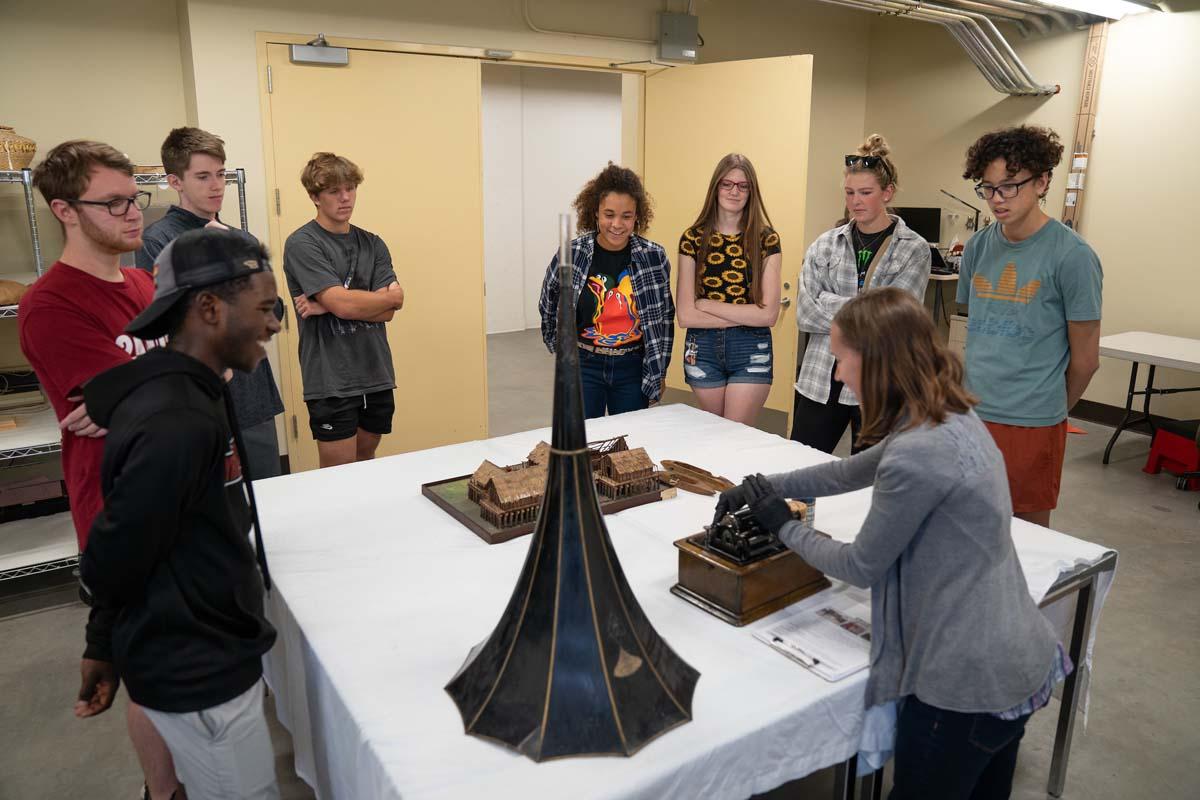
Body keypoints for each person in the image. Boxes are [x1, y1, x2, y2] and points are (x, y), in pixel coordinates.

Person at [716, 288, 1070, 800]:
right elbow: (848, 471)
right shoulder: (946, 416)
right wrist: (768, 485)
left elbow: (860, 565)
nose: (838, 375)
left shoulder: (918, 452)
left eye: (842, 360)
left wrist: (783, 526)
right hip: (1014, 657)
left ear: (877, 362)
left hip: (963, 680)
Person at [75, 228, 281, 800]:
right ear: (209, 309)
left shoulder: (192, 394)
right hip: (198, 671)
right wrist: (103, 643)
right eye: (265, 309)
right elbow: (112, 556)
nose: (274, 324)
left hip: (196, 647)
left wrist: (102, 644)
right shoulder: (177, 421)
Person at [17, 140, 183, 800]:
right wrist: (182, 375)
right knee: (152, 668)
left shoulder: (142, 282)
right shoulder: (50, 306)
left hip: (175, 490)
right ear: (63, 210)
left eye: (134, 196)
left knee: (180, 652)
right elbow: (175, 389)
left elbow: (168, 392)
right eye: (112, 203)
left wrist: (150, 387)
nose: (132, 213)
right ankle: (164, 792)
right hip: (118, 507)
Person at [956, 125, 1102, 527]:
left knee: (1026, 540)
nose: (996, 199)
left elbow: (1086, 360)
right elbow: (976, 331)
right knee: (968, 527)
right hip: (973, 413)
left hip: (1032, 423)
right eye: (987, 188)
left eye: (1009, 186)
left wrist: (1049, 410)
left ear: (1042, 181)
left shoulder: (1072, 256)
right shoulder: (977, 247)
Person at [136, 126, 285, 479]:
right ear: (175, 181)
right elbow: (179, 324)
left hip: (253, 399)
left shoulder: (241, 238)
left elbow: (275, 312)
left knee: (270, 507)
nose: (216, 186)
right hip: (199, 405)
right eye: (202, 176)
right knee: (215, 513)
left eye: (221, 175)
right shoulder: (159, 241)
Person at [792, 135, 931, 453]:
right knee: (799, 466)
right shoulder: (825, 244)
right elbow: (804, 313)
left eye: (866, 193)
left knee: (871, 481)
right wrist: (867, 307)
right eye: (850, 192)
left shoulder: (913, 249)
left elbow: (892, 324)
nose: (856, 201)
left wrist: (828, 299)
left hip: (878, 383)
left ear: (887, 192)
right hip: (820, 378)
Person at [283, 152, 404, 468]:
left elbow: (392, 308)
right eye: (334, 191)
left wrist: (330, 305)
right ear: (314, 196)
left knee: (366, 462)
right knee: (338, 477)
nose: (345, 197)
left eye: (350, 188)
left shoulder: (373, 243)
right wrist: (351, 303)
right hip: (330, 379)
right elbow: (348, 306)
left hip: (375, 372)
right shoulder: (302, 243)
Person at [537, 162, 674, 419]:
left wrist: (659, 371)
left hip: (633, 367)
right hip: (583, 366)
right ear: (595, 213)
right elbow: (548, 302)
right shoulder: (573, 253)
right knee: (585, 445)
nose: (617, 224)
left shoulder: (654, 256)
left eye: (626, 216)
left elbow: (664, 318)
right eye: (609, 214)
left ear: (637, 216)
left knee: (630, 446)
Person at [676, 153, 781, 425]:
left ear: (751, 191)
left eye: (743, 186)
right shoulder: (692, 239)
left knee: (734, 435)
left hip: (750, 346)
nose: (735, 191)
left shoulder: (766, 239)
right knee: (714, 433)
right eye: (727, 184)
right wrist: (746, 313)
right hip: (702, 349)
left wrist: (708, 305)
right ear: (716, 187)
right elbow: (686, 316)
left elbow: (769, 315)